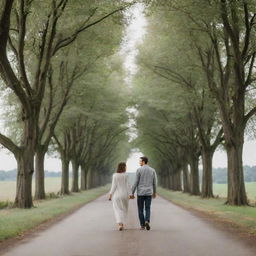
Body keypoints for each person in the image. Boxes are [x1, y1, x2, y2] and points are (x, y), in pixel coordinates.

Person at [131, 156, 157, 231]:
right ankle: (147, 221)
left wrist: (132, 193)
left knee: (140, 209)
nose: (139, 163)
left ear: (143, 162)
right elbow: (154, 183)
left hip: (141, 193)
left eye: (140, 161)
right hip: (149, 192)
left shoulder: (139, 170)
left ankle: (142, 225)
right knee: (148, 208)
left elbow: (136, 182)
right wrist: (154, 192)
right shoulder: (152, 170)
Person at [109, 162, 131, 231]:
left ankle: (120, 224)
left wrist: (110, 195)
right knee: (124, 210)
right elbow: (128, 186)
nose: (126, 168)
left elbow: (113, 186)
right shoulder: (126, 175)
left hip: (116, 196)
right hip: (125, 195)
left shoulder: (115, 175)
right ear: (123, 167)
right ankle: (122, 224)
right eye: (125, 167)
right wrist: (131, 194)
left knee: (117, 210)